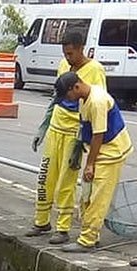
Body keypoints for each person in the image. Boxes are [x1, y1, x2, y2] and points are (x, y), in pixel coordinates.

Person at [26, 31, 107, 246]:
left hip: (74, 131)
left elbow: (95, 110)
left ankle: (63, 227)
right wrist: (43, 127)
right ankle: (41, 220)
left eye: (71, 53)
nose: (68, 57)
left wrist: (81, 143)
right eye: (65, 53)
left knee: (66, 181)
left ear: (81, 48)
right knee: (45, 175)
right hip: (56, 127)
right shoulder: (63, 66)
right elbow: (56, 98)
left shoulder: (95, 71)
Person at [54, 71, 132, 253]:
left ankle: (87, 240)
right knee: (87, 195)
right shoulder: (83, 99)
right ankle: (90, 235)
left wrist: (90, 164)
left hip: (111, 152)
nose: (69, 99)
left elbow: (99, 135)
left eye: (68, 95)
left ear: (76, 87)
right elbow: (86, 128)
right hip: (98, 151)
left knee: (98, 198)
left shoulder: (97, 101)